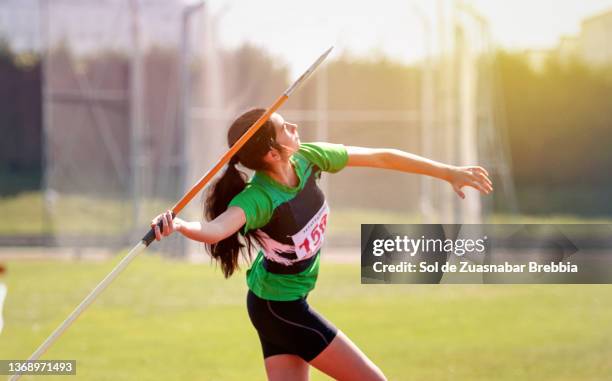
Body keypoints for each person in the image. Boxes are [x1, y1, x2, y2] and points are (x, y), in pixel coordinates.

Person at [152, 108, 493, 381]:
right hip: (279, 308)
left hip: (277, 302)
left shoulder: (309, 158)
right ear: (272, 152)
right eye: (285, 128)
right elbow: (216, 230)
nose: (295, 126)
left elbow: (382, 157)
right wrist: (178, 225)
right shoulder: (258, 198)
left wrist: (448, 171)